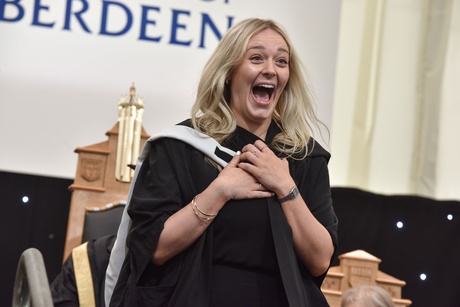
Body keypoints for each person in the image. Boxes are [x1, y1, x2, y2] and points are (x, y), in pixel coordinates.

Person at [105, 17, 338, 306]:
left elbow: (320, 261)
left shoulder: (303, 158)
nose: (270, 69)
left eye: (281, 61)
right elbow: (154, 248)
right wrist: (219, 191)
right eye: (256, 58)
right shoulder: (180, 148)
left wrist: (286, 187)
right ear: (229, 71)